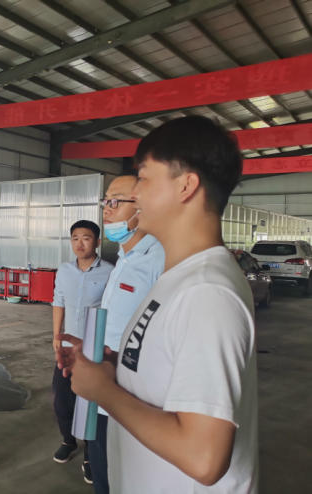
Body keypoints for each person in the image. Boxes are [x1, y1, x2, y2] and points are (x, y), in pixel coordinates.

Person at [57, 116, 258, 493]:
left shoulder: (207, 292)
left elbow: (204, 458)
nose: (137, 195)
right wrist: (113, 363)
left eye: (145, 179)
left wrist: (103, 391)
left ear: (186, 186)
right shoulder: (177, 277)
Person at [85, 172, 166, 493]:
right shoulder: (124, 258)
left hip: (131, 399)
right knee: (102, 474)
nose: (106, 209)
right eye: (105, 201)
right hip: (103, 390)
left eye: (115, 202)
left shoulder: (159, 260)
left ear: (142, 207)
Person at [51, 220, 113, 483]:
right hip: (67, 349)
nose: (80, 243)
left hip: (93, 349)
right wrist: (56, 336)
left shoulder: (110, 272)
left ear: (97, 242)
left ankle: (89, 454)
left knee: (89, 404)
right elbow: (58, 301)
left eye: (86, 238)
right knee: (62, 400)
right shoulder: (64, 270)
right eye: (75, 238)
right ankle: (68, 440)